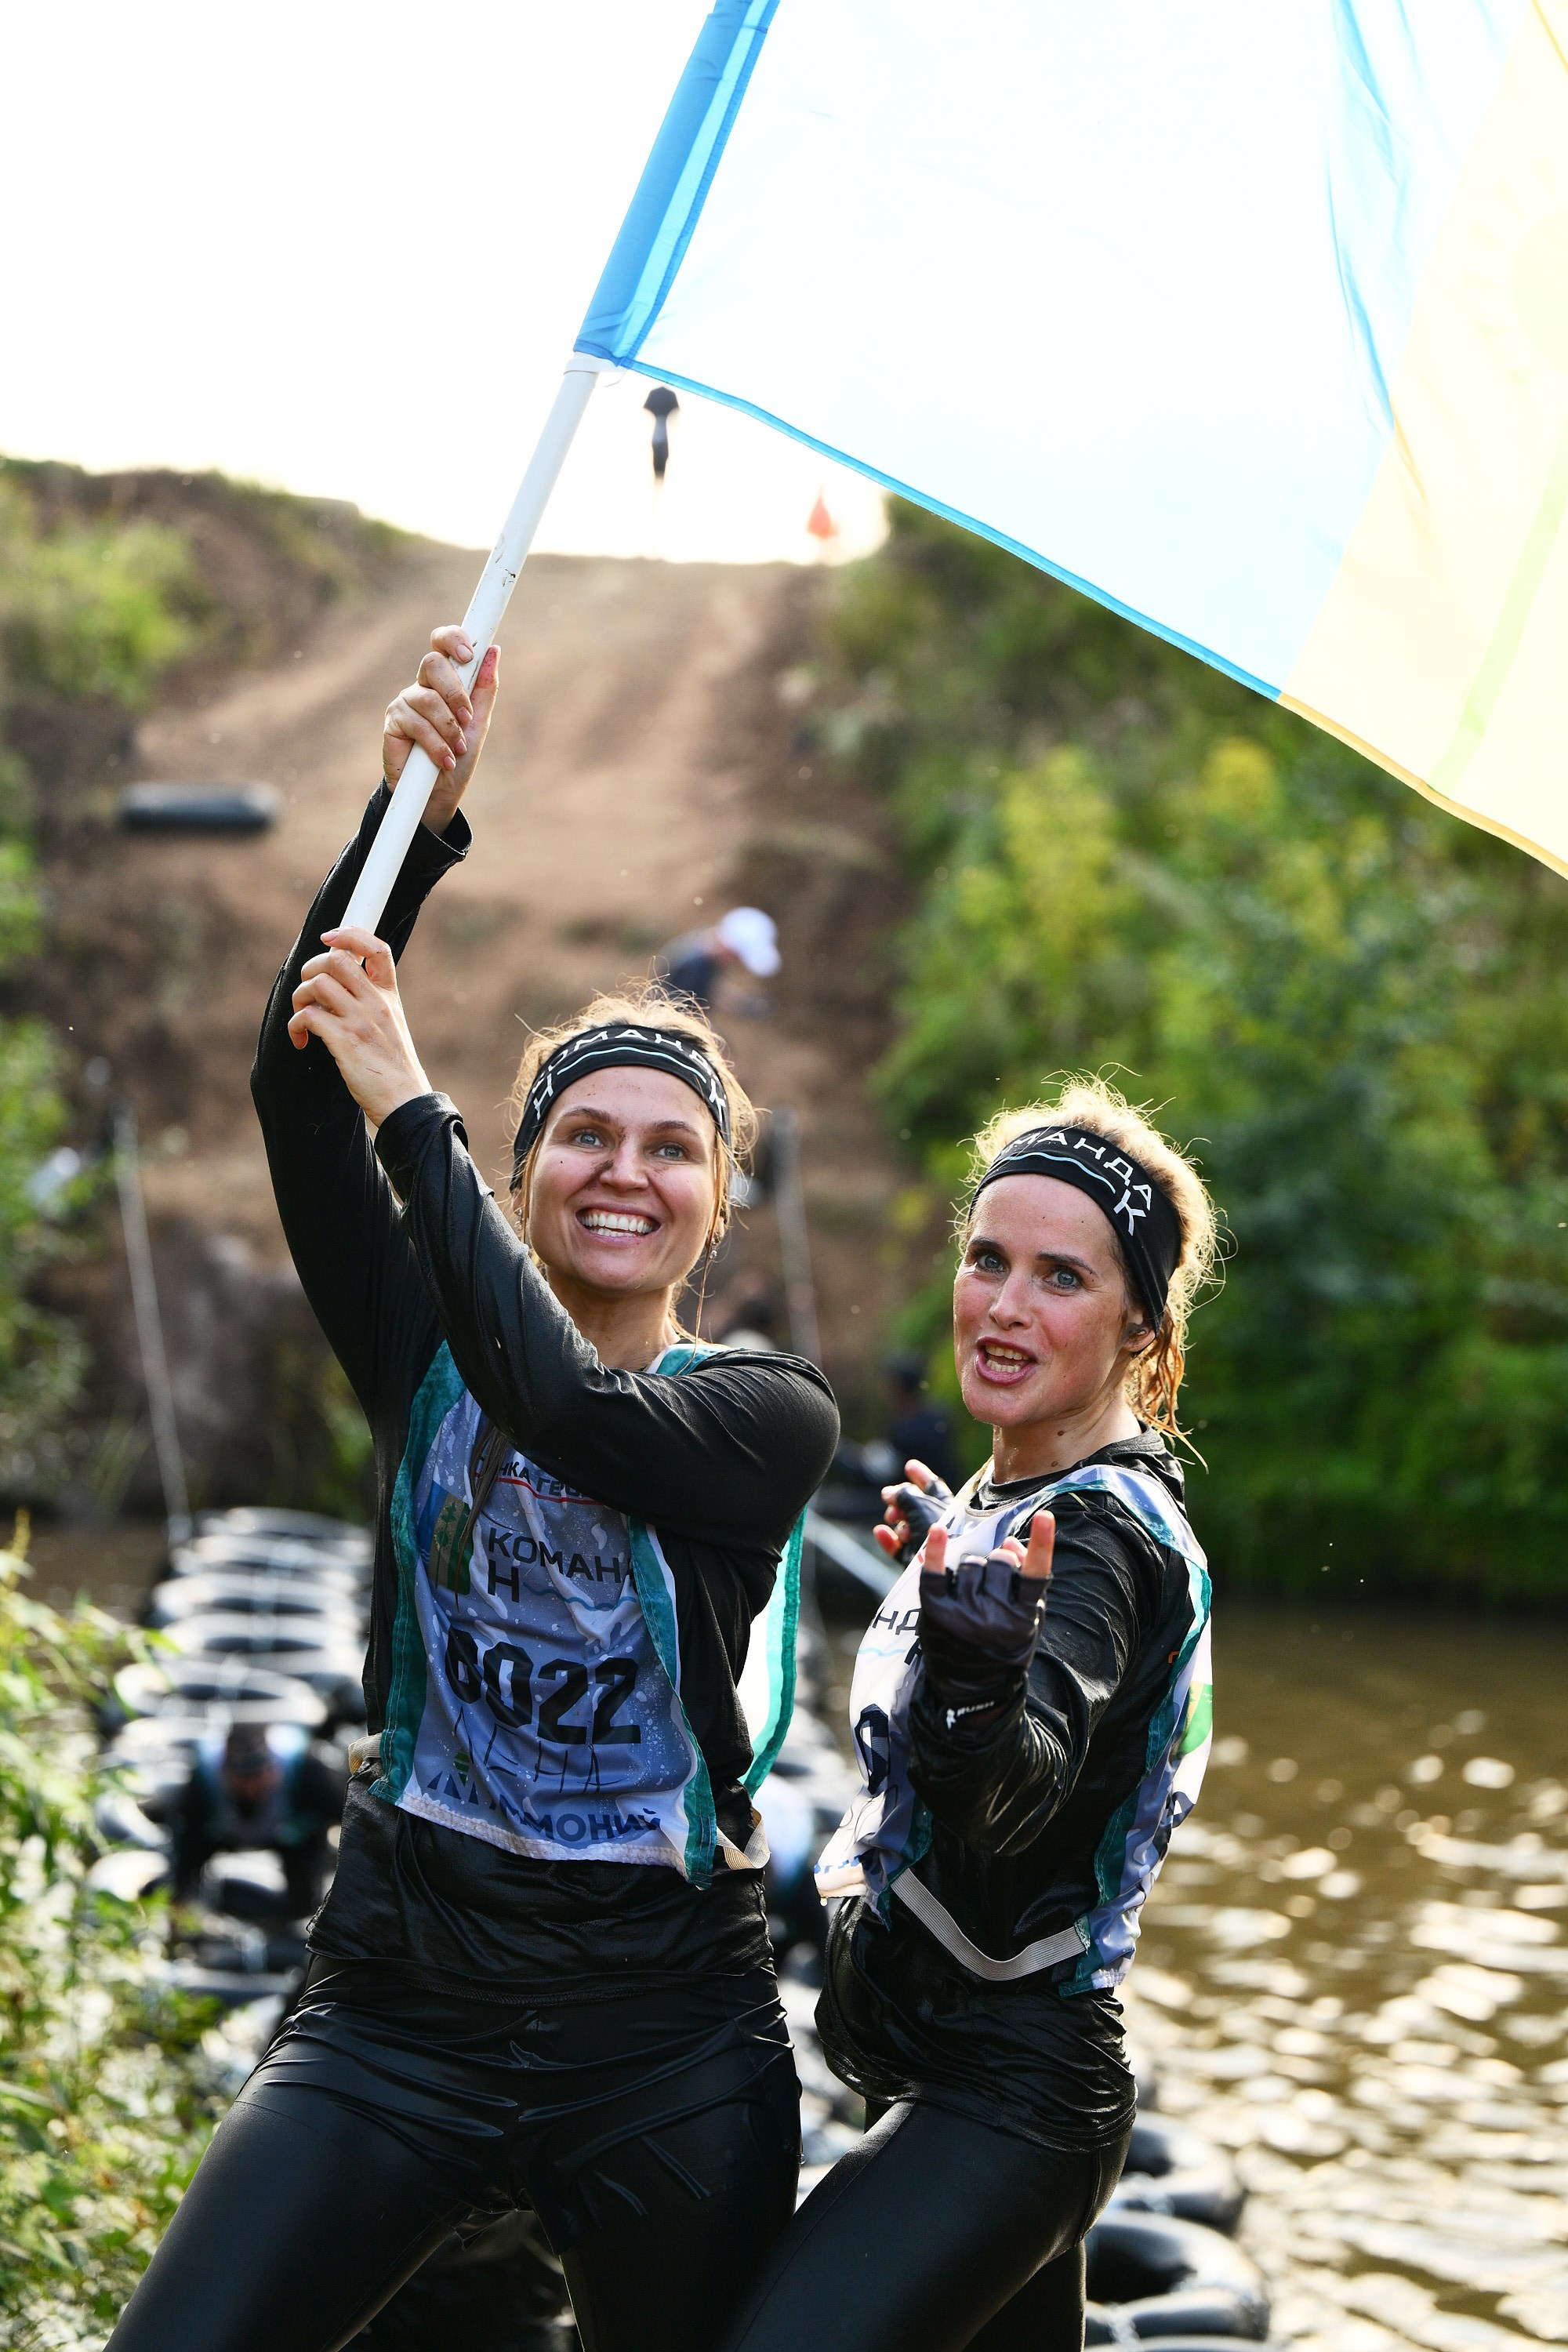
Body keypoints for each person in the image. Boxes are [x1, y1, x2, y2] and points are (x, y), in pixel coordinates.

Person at [107, 625, 839, 2352]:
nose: (625, 1169)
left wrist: (415, 1099)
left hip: (663, 2040)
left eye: (673, 1148)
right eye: (587, 1133)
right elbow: (302, 1084)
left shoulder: (766, 1415)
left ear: (713, 1209)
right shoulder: (416, 1341)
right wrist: (406, 826)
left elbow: (574, 1414)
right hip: (399, 2009)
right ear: (522, 1178)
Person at [719, 1081, 1219, 2352]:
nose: (1003, 1303)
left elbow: (1020, 1784)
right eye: (989, 1258)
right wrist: (956, 1567)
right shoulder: (1026, 1492)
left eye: (1062, 1277)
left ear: (1140, 1327)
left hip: (1012, 2103)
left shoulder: (1103, 1541)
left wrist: (982, 1681)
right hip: (953, 2075)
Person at [168, 1722, 343, 1920]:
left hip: (291, 1837)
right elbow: (185, 1835)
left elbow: (344, 1817)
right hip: (222, 1834)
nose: (252, 1787)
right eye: (243, 1777)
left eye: (258, 1775)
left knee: (307, 1871)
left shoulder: (305, 1769)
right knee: (187, 1854)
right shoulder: (205, 1779)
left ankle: (303, 1918)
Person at [653, 906, 780, 1014]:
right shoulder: (695, 966)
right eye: (737, 957)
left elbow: (711, 990)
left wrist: (742, 1003)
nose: (736, 963)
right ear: (728, 947)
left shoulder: (702, 954)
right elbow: (684, 1007)